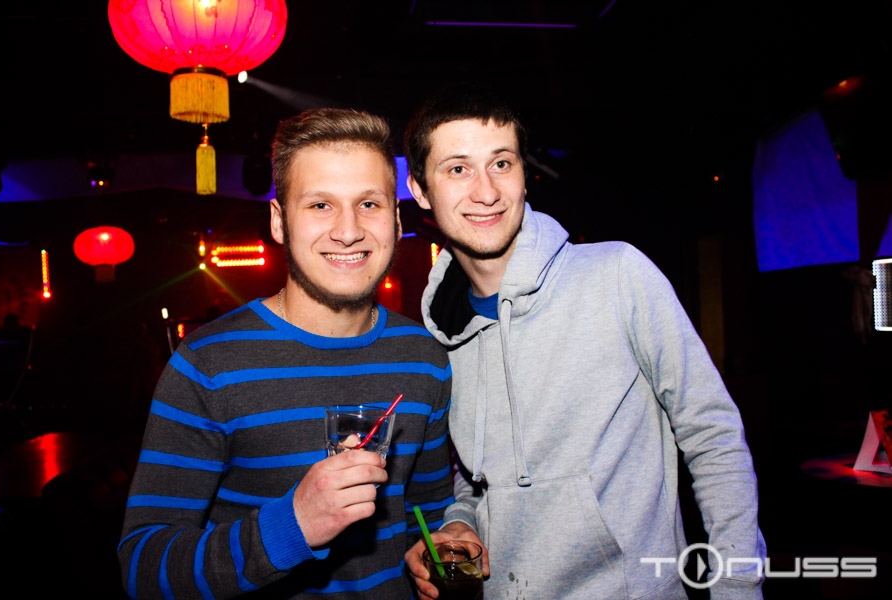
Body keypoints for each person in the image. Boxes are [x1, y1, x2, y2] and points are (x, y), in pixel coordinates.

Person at [402, 82, 767, 599]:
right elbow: (479, 479)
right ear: (420, 190)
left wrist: (737, 586)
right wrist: (461, 523)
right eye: (458, 169)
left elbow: (713, 436)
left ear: (524, 173)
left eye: (501, 163)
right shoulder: (442, 339)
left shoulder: (616, 275)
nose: (486, 191)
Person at [118, 108, 455, 599]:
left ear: (397, 219)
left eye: (369, 203)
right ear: (279, 221)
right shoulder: (208, 365)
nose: (348, 230)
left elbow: (429, 513)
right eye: (320, 204)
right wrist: (291, 527)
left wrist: (439, 546)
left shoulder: (425, 357)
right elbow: (143, 569)